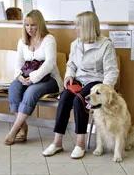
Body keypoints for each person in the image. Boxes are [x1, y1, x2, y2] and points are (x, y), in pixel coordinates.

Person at [42, 11, 118, 159]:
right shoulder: (75, 44)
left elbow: (111, 71)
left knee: (80, 100)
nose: (75, 29)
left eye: (77, 26)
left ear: (87, 27)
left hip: (96, 82)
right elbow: (71, 64)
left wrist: (105, 90)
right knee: (64, 98)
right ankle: (57, 142)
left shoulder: (106, 45)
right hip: (79, 81)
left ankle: (80, 143)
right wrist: (69, 75)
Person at [5, 10, 63, 145]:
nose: (29, 29)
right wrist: (19, 77)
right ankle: (23, 127)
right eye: (26, 25)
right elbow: (18, 63)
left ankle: (14, 130)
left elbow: (50, 64)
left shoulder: (49, 39)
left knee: (31, 91)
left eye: (33, 25)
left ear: (40, 25)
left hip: (50, 80)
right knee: (13, 87)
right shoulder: (22, 41)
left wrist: (32, 78)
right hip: (26, 78)